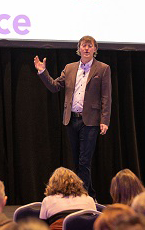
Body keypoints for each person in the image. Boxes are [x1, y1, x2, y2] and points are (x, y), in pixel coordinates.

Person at [34, 35, 112, 197]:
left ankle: (81, 197)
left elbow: (106, 96)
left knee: (84, 161)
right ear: (79, 49)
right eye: (83, 45)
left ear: (95, 50)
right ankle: (90, 195)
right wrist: (42, 71)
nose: (86, 48)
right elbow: (55, 87)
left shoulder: (103, 68)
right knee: (76, 160)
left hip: (90, 121)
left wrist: (104, 120)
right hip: (71, 119)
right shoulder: (69, 68)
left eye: (90, 46)